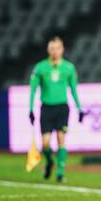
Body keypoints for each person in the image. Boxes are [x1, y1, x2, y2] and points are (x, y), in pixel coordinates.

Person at [29, 36, 84, 182]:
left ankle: (60, 172)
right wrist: (30, 109)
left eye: (57, 48)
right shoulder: (40, 68)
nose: (55, 51)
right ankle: (49, 161)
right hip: (46, 108)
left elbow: (73, 89)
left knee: (61, 138)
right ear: (48, 50)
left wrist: (79, 108)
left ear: (62, 49)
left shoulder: (69, 68)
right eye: (52, 48)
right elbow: (33, 90)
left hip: (62, 108)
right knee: (45, 143)